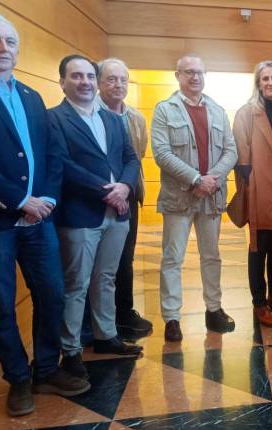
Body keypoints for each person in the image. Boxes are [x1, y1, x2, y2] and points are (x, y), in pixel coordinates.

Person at [0, 13, 90, 416]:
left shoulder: (30, 96)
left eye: (10, 42)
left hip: (40, 220)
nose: (4, 49)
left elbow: (53, 155)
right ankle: (18, 380)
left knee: (52, 295)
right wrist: (20, 199)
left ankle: (45, 369)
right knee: (2, 304)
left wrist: (48, 201)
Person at [50, 54, 143, 380]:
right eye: (77, 76)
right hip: (80, 215)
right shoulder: (55, 119)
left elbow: (131, 158)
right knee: (76, 284)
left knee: (106, 278)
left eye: (89, 76)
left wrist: (126, 187)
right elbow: (62, 164)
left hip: (117, 214)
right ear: (62, 82)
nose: (85, 82)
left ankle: (106, 336)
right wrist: (109, 190)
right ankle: (71, 350)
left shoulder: (113, 119)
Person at [151, 54, 238, 342]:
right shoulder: (165, 110)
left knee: (211, 256)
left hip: (211, 197)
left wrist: (211, 179)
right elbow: (162, 154)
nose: (195, 77)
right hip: (179, 197)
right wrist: (196, 179)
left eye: (199, 72)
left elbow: (231, 151)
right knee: (172, 257)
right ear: (178, 75)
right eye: (188, 72)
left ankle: (214, 310)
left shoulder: (217, 109)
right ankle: (172, 318)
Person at [232, 60, 272, 327]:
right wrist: (250, 185)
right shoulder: (247, 113)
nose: (270, 83)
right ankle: (259, 302)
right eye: (265, 79)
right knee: (258, 247)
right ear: (258, 84)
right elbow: (241, 154)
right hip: (259, 187)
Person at [97, 57, 153, 337]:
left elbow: (137, 155)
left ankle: (123, 312)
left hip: (128, 195)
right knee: (98, 264)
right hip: (95, 197)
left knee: (124, 258)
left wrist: (125, 188)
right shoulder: (88, 112)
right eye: (111, 78)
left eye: (123, 79)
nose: (118, 84)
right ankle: (98, 322)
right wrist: (110, 189)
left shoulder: (136, 118)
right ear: (98, 82)